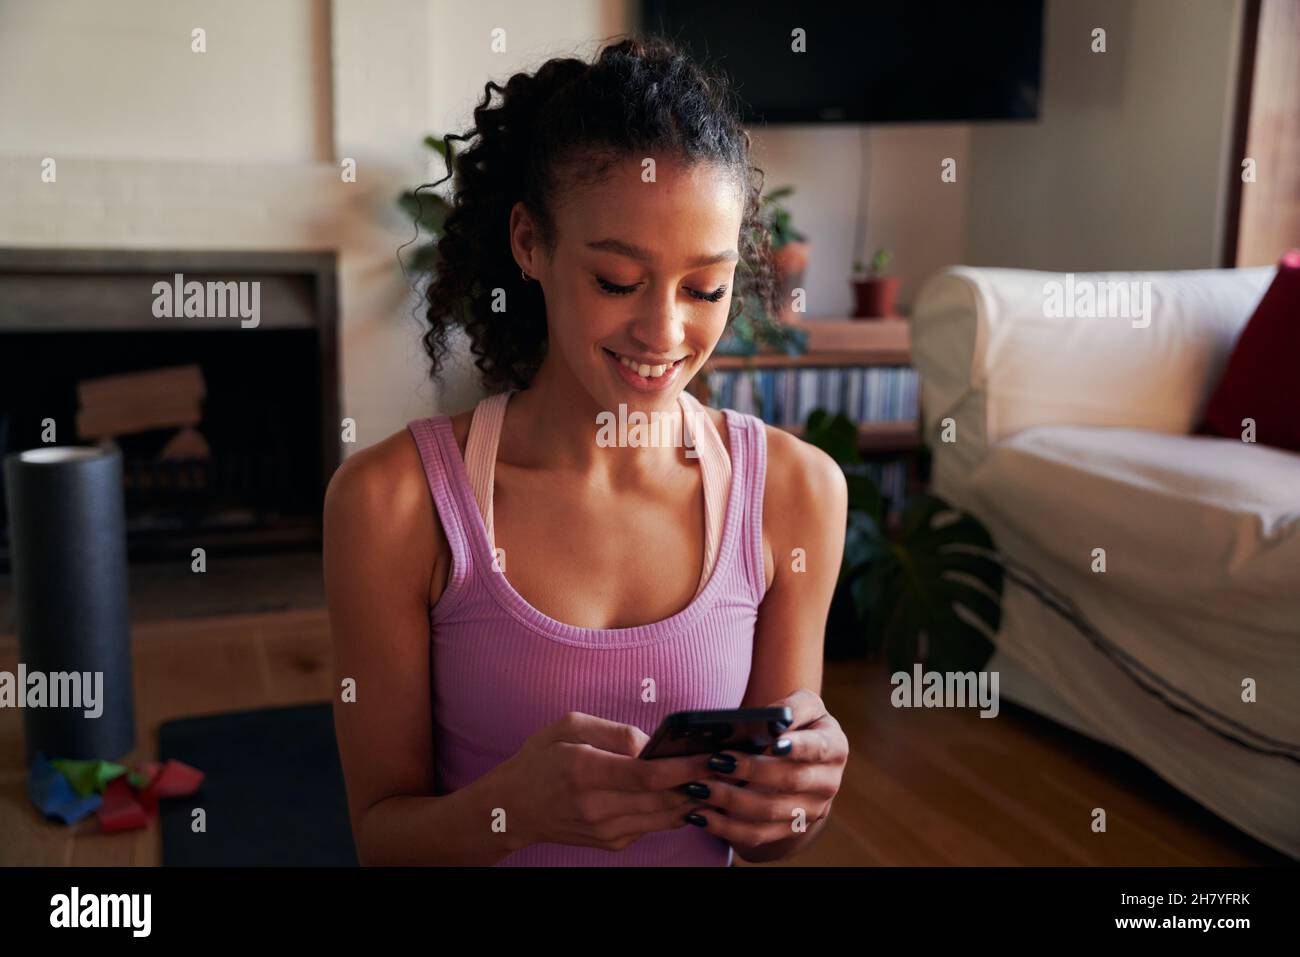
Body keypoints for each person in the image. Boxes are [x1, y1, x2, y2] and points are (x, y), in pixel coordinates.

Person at [324, 35, 848, 866]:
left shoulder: (795, 492)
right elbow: (382, 840)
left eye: (703, 287)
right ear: (529, 244)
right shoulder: (395, 502)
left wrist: (798, 801)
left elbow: (773, 837)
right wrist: (512, 809)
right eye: (616, 280)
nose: (665, 333)